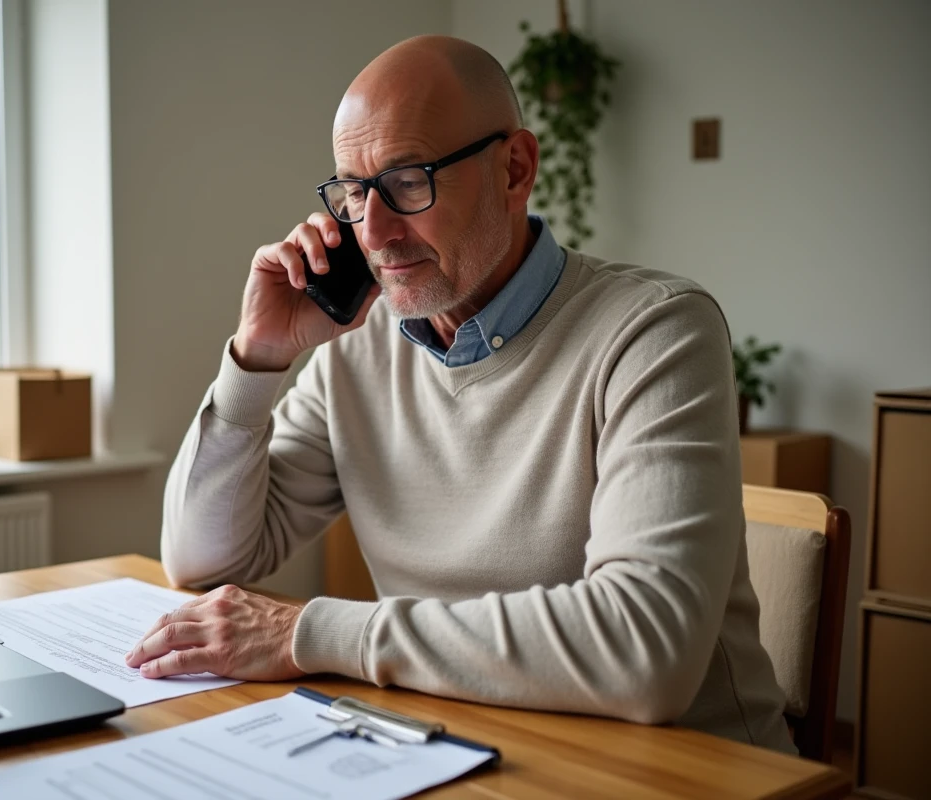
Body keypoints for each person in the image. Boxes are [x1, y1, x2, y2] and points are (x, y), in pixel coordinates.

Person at [124, 35, 794, 752]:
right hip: (462, 745)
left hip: (688, 771)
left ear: (515, 169)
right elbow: (201, 563)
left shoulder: (655, 332)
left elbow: (645, 652)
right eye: (354, 190)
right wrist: (257, 359)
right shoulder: (354, 345)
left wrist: (309, 633)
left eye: (409, 180)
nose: (373, 232)